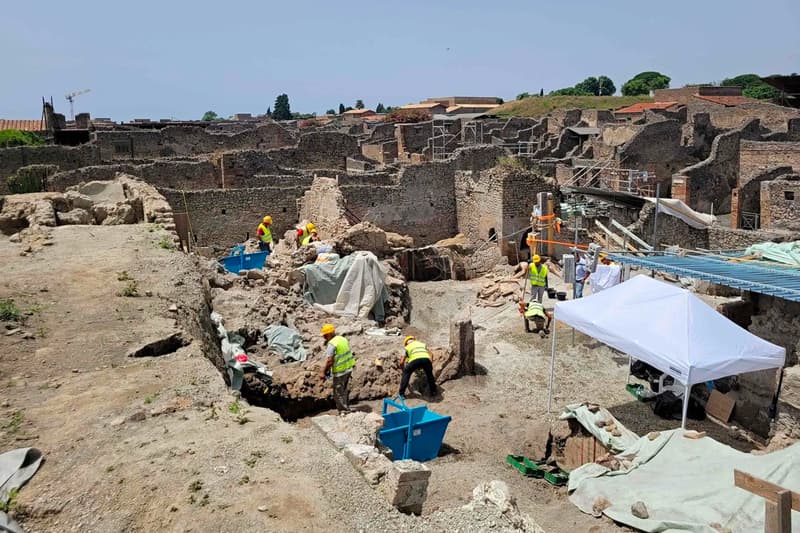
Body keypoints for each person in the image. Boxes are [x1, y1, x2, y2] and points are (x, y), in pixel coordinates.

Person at [320, 323, 355, 413]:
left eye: (325, 336)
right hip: (348, 368)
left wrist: (323, 372)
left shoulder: (332, 344)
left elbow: (330, 361)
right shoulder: (342, 339)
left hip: (340, 371)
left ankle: (344, 411)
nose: (324, 338)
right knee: (344, 390)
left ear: (329, 334)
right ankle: (347, 407)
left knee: (338, 392)